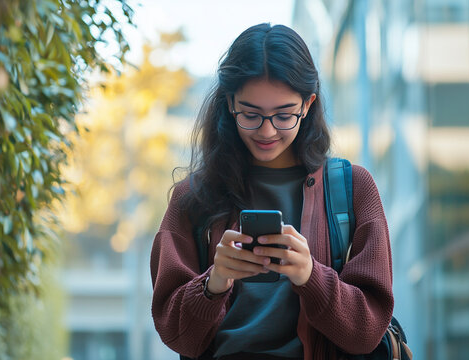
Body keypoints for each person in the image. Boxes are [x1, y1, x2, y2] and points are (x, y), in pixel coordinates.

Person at [150, 23, 393, 360]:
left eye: (284, 115)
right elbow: (176, 335)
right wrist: (214, 282)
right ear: (229, 102)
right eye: (250, 114)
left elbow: (368, 332)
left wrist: (311, 276)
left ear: (307, 105)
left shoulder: (353, 188)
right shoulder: (192, 197)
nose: (267, 131)